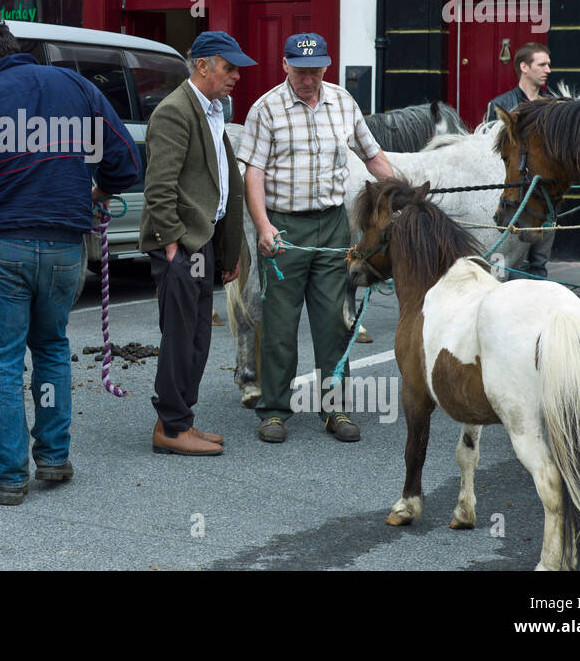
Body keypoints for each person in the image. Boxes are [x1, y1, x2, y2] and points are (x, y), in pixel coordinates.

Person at [0, 17, 141, 506]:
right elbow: (127, 162)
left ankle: (10, 476)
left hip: (4, 247)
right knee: (51, 348)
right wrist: (99, 190)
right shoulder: (78, 87)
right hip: (67, 249)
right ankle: (53, 457)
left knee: (4, 360)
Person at [236, 33, 396, 445]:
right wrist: (263, 227)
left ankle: (334, 408)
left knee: (334, 323)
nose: (308, 79)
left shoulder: (344, 102)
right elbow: (252, 172)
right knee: (279, 324)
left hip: (333, 226)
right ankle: (274, 410)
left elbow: (372, 155)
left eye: (316, 70)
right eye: (301, 70)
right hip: (285, 227)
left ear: (327, 66)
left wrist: (405, 192)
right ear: (284, 64)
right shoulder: (265, 108)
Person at [139, 31, 253, 456]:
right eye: (229, 67)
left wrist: (226, 251)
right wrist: (171, 246)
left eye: (238, 69)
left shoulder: (212, 109)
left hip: (201, 243)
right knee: (180, 336)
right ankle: (170, 428)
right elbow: (160, 186)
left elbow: (220, 185)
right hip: (182, 246)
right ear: (202, 65)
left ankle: (181, 420)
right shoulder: (175, 111)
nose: (236, 76)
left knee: (197, 337)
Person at [486, 42, 556, 278]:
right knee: (511, 260)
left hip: (544, 195)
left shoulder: (554, 107)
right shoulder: (500, 106)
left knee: (539, 264)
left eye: (548, 64)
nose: (548, 70)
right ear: (524, 67)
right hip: (514, 194)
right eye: (542, 64)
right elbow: (490, 152)